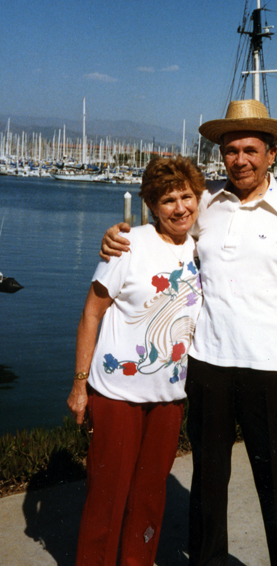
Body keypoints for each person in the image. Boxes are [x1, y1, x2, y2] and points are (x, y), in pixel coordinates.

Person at [100, 99, 277, 566]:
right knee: (207, 482)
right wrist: (115, 237)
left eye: (250, 150)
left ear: (271, 154)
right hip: (207, 366)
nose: (239, 160)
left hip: (270, 369)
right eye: (230, 150)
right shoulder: (206, 203)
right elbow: (164, 232)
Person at [67, 155, 204, 566]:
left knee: (149, 496)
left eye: (186, 197)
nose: (180, 208)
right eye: (168, 200)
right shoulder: (128, 245)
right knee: (107, 495)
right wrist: (79, 385)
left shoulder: (203, 250)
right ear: (152, 206)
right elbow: (91, 313)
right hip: (116, 394)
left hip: (169, 397)